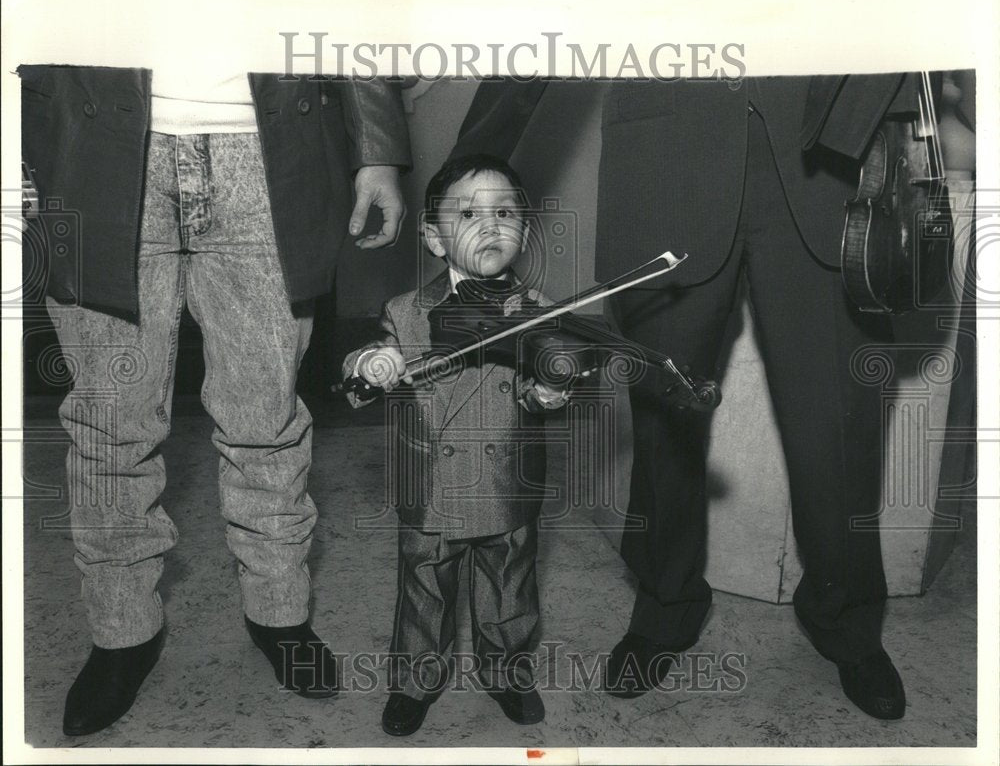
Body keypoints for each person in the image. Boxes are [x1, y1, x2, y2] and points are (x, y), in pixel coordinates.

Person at [451, 74, 921, 720]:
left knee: (837, 428)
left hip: (828, 168)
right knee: (662, 421)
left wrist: (883, 119)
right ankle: (666, 606)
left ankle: (847, 621)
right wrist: (464, 170)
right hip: (665, 165)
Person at [19, 64, 411, 736]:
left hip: (269, 152)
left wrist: (377, 148)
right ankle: (122, 631)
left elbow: (352, 1)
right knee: (109, 425)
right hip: (98, 148)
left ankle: (278, 613)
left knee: (267, 417)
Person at [341, 154, 569, 736]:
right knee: (424, 593)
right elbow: (356, 373)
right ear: (433, 238)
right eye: (468, 214)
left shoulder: (538, 312)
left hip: (506, 480)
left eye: (506, 213)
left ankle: (507, 672)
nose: (490, 226)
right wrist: (373, 363)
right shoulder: (405, 312)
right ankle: (416, 683)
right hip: (432, 485)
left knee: (509, 590)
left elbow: (534, 393)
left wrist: (548, 390)